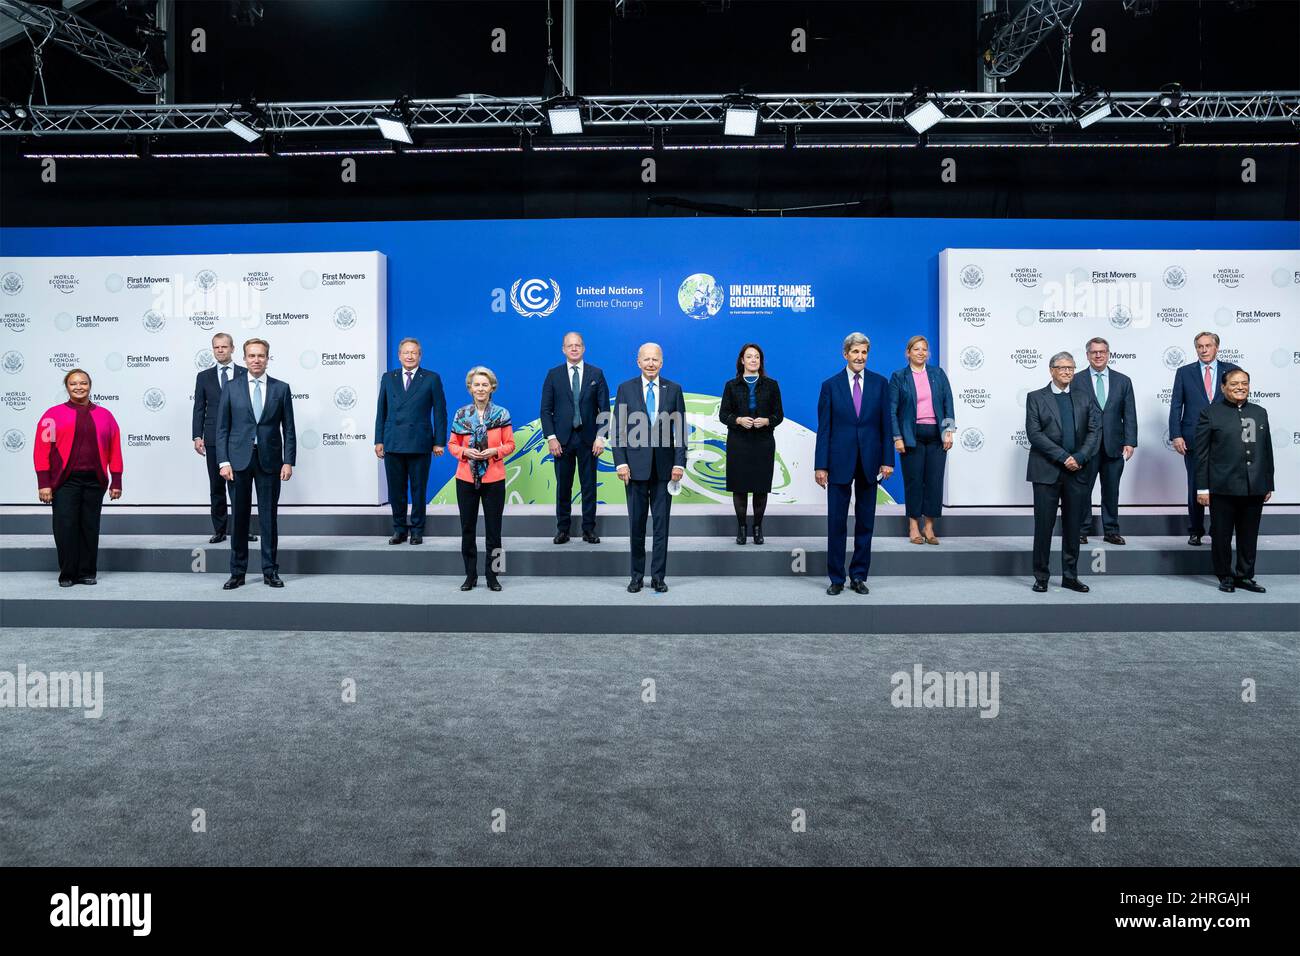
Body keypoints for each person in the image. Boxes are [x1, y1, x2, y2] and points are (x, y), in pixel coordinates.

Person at [814, 332, 894, 595]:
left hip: (871, 461)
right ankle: (836, 578)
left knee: (865, 522)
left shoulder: (881, 384)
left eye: (864, 353)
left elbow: (886, 425)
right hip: (838, 461)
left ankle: (858, 575)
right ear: (845, 354)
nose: (860, 357)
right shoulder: (830, 385)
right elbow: (824, 428)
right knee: (836, 522)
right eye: (855, 352)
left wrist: (887, 460)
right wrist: (820, 465)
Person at [216, 337, 297, 590]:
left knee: (268, 518)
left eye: (260, 355)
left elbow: (290, 429)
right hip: (237, 462)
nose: (256, 360)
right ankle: (237, 572)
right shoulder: (231, 387)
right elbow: (222, 428)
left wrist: (288, 461)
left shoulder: (281, 388)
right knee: (238, 518)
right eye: (251, 356)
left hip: (270, 462)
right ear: (244, 359)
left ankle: (270, 571)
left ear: (267, 358)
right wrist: (223, 461)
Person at [33, 369, 123, 586]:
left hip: (95, 480)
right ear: (67, 387)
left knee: (90, 526)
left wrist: (116, 480)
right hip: (65, 481)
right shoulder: (52, 415)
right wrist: (44, 483)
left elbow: (115, 449)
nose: (79, 387)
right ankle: (67, 573)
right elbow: (41, 450)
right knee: (65, 527)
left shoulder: (105, 416)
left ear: (90, 385)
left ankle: (86, 572)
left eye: (83, 383)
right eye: (73, 383)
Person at [612, 343, 687, 593]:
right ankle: (636, 576)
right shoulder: (625, 389)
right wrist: (621, 462)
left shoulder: (674, 390)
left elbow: (681, 430)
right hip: (633, 469)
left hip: (665, 470)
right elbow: (617, 430)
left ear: (662, 362)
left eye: (655, 359)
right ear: (638, 362)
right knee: (636, 525)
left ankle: (658, 577)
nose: (651, 363)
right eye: (647, 359)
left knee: (661, 526)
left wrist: (679, 463)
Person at [1025, 351, 1100, 594]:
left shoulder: (1084, 397)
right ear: (1051, 370)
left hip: (1077, 472)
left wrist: (1078, 458)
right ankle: (1041, 576)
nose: (1067, 371)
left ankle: (1070, 576)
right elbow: (1034, 434)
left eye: (1070, 367)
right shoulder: (1036, 397)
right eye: (1062, 367)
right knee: (1043, 527)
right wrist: (1063, 457)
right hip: (1046, 471)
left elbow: (1094, 431)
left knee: (1073, 528)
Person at [1195, 369, 1275, 593]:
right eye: (1234, 383)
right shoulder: (1210, 413)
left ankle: (1245, 576)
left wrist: (1268, 482)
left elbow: (1266, 450)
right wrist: (1202, 488)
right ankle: (1225, 576)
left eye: (1245, 383)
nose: (1240, 387)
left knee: (1249, 535)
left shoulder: (1260, 412)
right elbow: (1201, 455)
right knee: (1221, 535)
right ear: (1223, 387)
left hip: (1254, 486)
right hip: (1222, 486)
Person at [374, 337, 447, 545]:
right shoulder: (388, 378)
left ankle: (417, 529)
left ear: (420, 355)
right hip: (393, 442)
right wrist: (378, 439)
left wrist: (439, 441)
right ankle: (399, 529)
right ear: (399, 355)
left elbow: (440, 413)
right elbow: (382, 411)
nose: (409, 356)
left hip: (420, 442)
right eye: (406, 352)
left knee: (418, 489)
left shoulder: (431, 378)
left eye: (413, 352)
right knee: (396, 489)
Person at [447, 366, 515, 591]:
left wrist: (494, 451)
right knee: (467, 529)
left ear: (492, 387)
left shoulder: (502, 414)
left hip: (494, 479)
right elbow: (452, 444)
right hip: (466, 478)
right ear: (470, 388)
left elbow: (510, 445)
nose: (481, 388)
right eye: (476, 384)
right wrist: (465, 452)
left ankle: (494, 576)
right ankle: (470, 575)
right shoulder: (461, 414)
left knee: (495, 531)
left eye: (485, 384)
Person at [1169, 331, 1240, 546]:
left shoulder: (1232, 371)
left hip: (1225, 438)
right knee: (1195, 485)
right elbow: (1176, 405)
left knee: (1221, 486)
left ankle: (1218, 530)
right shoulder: (1184, 372)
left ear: (1217, 347)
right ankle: (1196, 530)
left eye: (1208, 345)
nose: (1204, 350)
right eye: (1199, 346)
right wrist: (1176, 434)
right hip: (1192, 437)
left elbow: (1239, 403)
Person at [540, 331, 608, 544]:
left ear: (584, 348)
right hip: (562, 441)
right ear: (563, 349)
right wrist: (551, 438)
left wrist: (601, 438)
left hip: (589, 440)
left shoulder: (596, 374)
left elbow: (604, 410)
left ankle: (589, 530)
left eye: (578, 345)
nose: (574, 348)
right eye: (570, 345)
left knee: (589, 486)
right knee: (563, 486)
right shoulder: (553, 375)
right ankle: (563, 530)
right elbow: (545, 410)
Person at [888, 335, 955, 546]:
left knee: (934, 481)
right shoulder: (899, 377)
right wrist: (897, 437)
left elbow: (948, 402)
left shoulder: (938, 374)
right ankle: (914, 526)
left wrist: (949, 430)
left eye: (924, 349)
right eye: (916, 349)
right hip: (910, 436)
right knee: (914, 482)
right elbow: (892, 410)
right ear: (908, 353)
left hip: (936, 435)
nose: (920, 352)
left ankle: (929, 527)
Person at [1074, 337, 1137, 546]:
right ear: (1087, 355)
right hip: (1086, 447)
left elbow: (1129, 413)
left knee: (1111, 490)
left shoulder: (1123, 380)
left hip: (1114, 445)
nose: (1098, 355)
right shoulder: (1076, 379)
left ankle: (1111, 531)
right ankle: (1081, 530)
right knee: (1083, 490)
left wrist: (1130, 441)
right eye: (1094, 352)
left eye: (1102, 352)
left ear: (1109, 354)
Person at [192, 332, 254, 545]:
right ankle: (220, 530)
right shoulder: (204, 376)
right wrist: (196, 436)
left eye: (224, 347)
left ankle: (242, 530)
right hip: (211, 438)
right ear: (213, 349)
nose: (220, 350)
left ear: (232, 349)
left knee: (239, 487)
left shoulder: (245, 373)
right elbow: (199, 408)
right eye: (216, 347)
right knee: (216, 485)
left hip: (238, 438)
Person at [719, 343, 783, 545]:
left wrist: (767, 421)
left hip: (763, 442)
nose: (753, 360)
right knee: (740, 488)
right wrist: (738, 420)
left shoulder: (771, 385)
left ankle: (757, 527)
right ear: (742, 360)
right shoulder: (731, 385)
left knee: (760, 487)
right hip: (739, 442)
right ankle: (741, 528)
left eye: (757, 357)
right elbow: (723, 415)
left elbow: (779, 415)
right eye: (749, 356)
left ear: (760, 361)